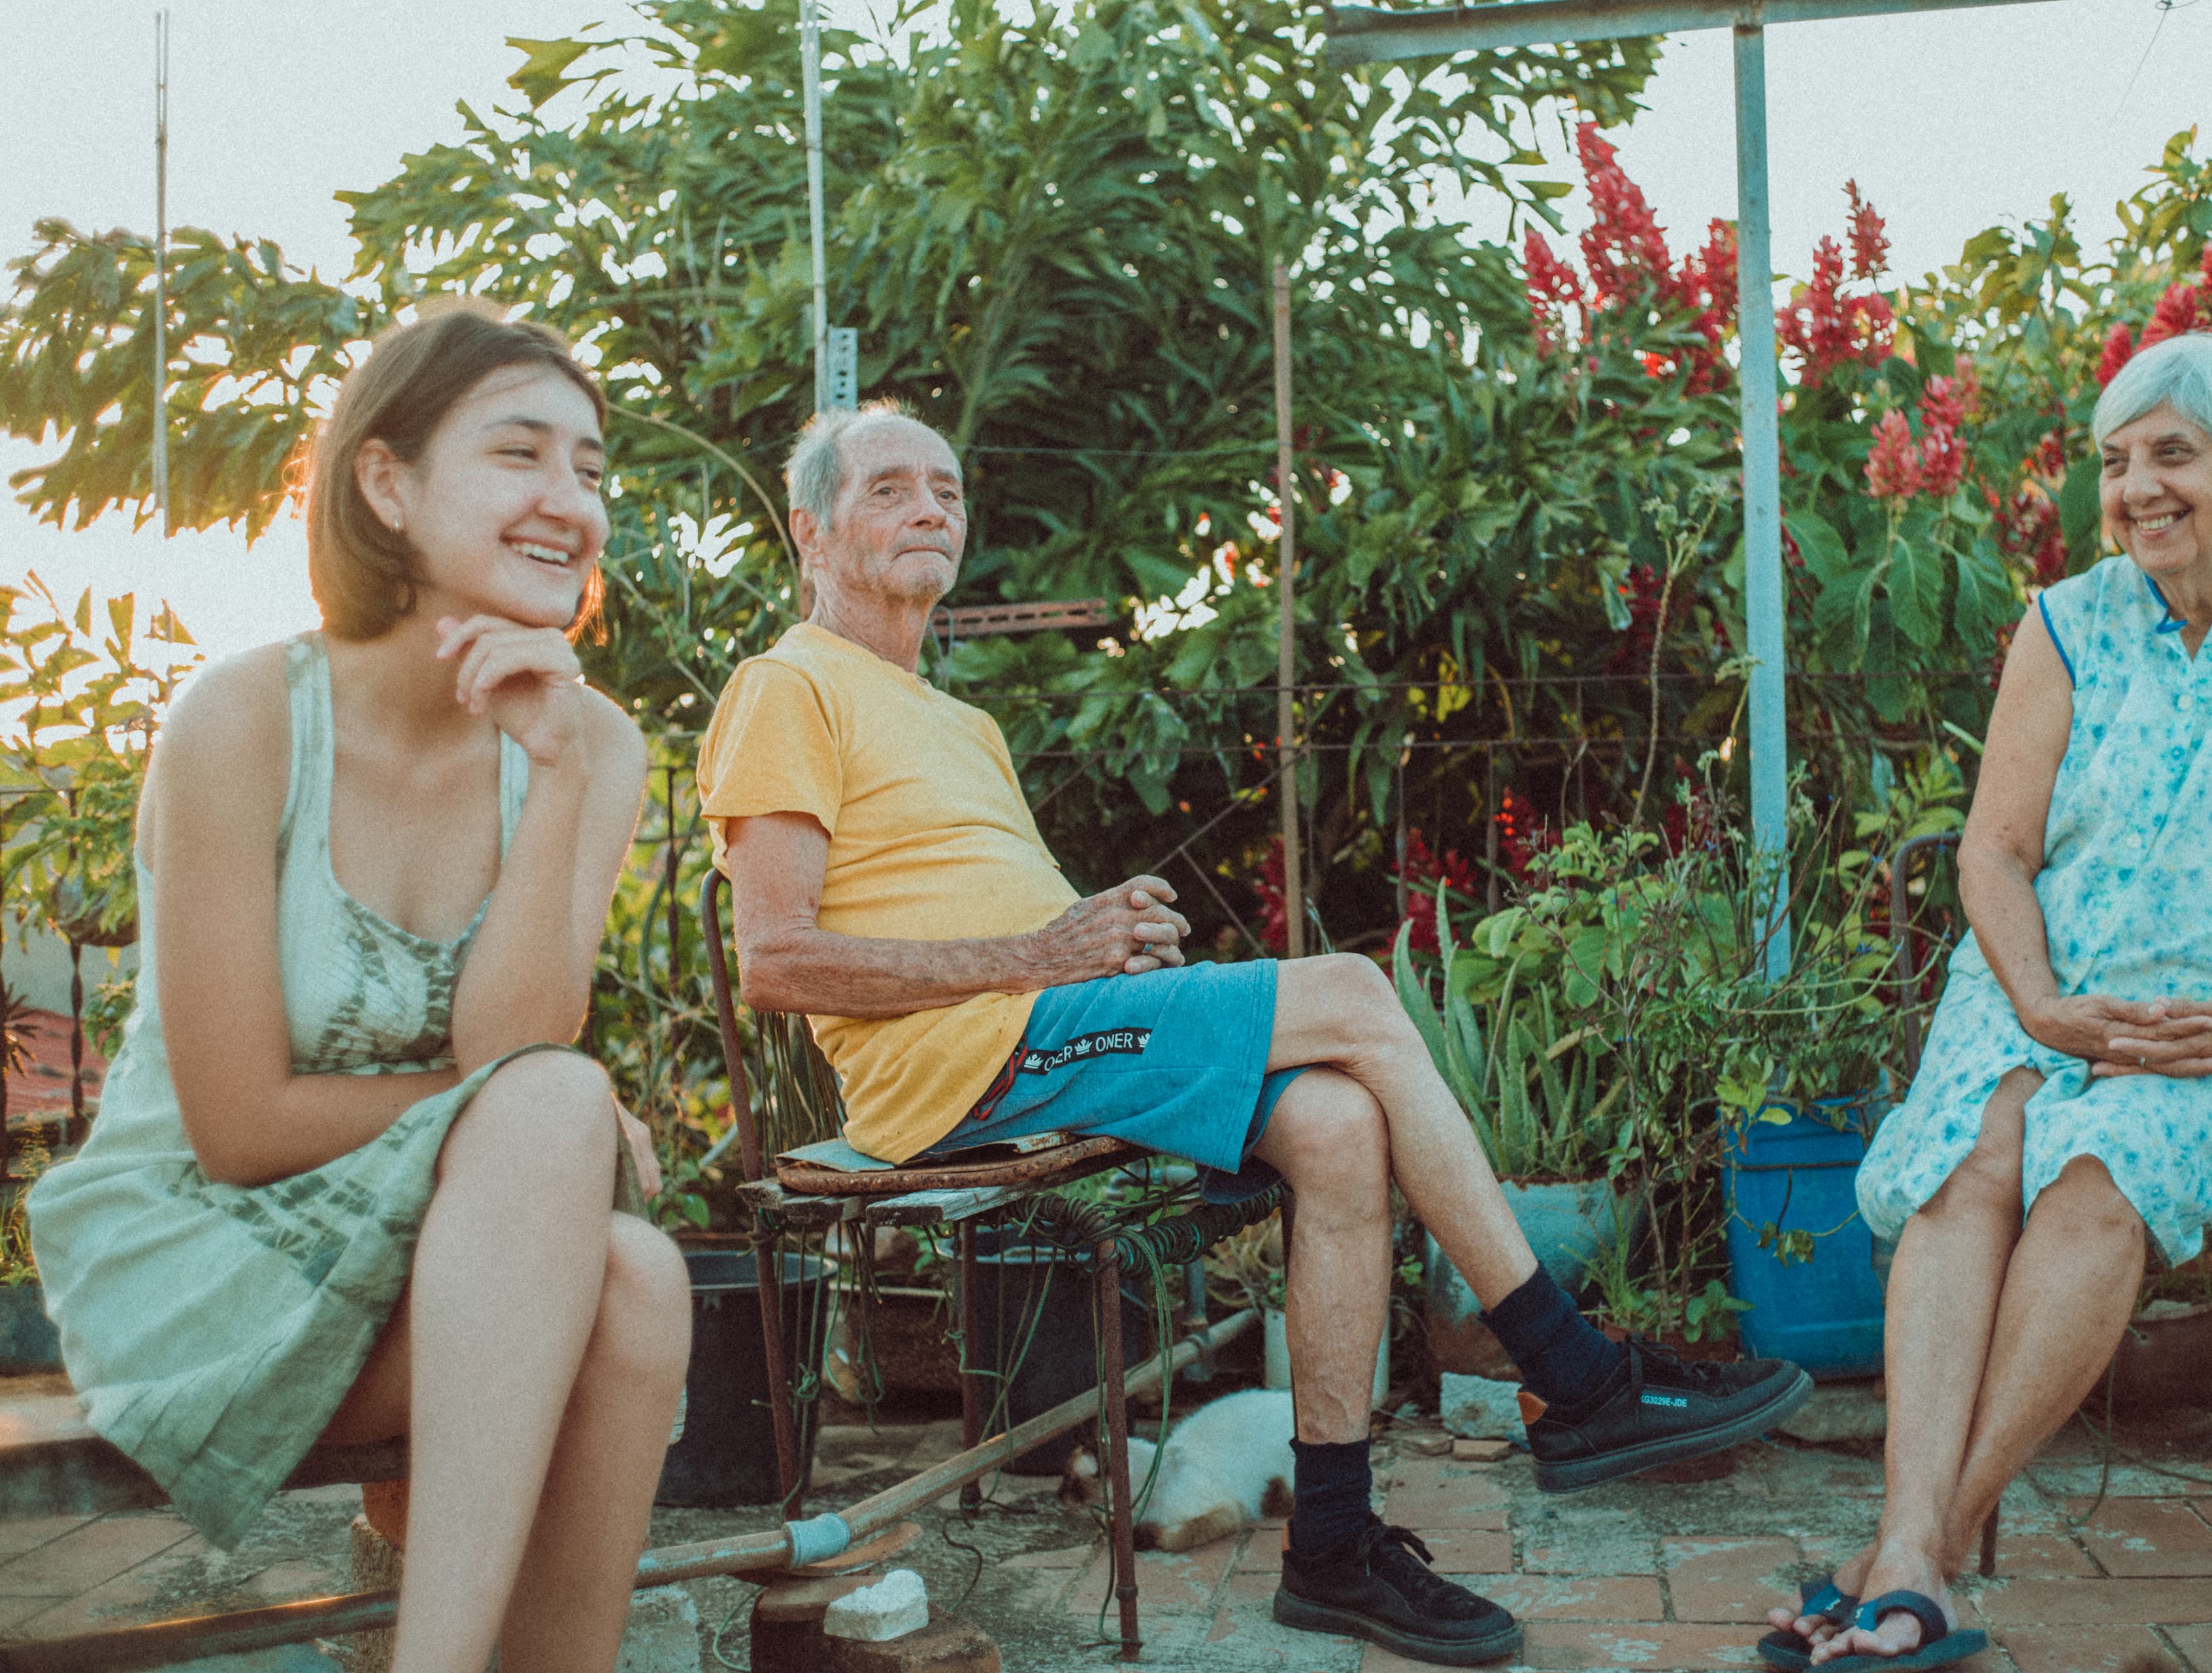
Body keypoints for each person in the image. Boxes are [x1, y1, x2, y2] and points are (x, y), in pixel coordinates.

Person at [695, 401, 1814, 1668]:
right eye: (889, 488)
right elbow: (775, 960)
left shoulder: (967, 727)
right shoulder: (784, 686)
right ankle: (1576, 1367)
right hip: (956, 1068)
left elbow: (1025, 930)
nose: (930, 508)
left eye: (946, 489)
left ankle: (1334, 1542)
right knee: (1352, 992)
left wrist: (1103, 937)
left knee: (1338, 1124)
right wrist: (1046, 955)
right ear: (810, 529)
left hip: (1049, 1029)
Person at [1765, 331, 2212, 1669]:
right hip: (2044, 989)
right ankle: (1913, 1549)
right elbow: (1996, 849)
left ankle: (1924, 1544)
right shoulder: (2068, 620)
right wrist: (2034, 1001)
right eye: (2117, 459)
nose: (2139, 485)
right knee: (1975, 1156)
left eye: (2174, 453)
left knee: (2101, 1168)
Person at [28, 303, 680, 1673]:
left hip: (433, 1254)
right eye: (520, 453)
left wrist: (554, 773)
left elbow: (516, 1042)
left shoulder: (591, 744)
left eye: (593, 468)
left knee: (637, 1277)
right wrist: (525, 1125)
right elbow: (239, 1123)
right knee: (562, 1118)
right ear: (386, 483)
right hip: (202, 1248)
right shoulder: (247, 717)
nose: (570, 499)